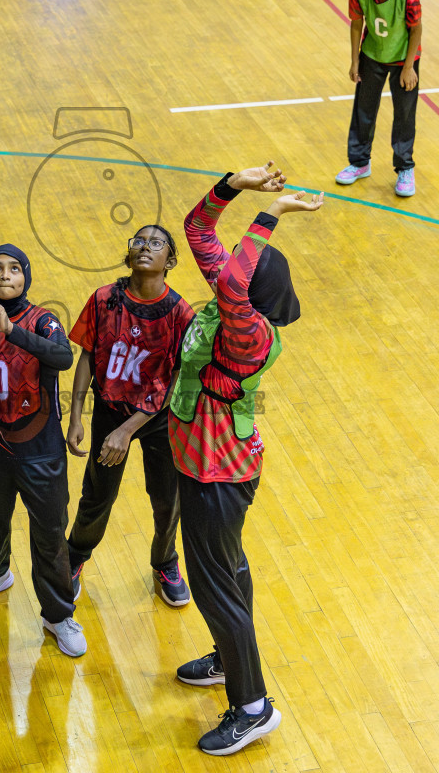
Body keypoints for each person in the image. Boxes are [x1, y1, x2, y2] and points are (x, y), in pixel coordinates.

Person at [170, 162, 323, 756]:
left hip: (218, 472)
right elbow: (198, 229)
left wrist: (273, 213)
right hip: (209, 461)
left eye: (241, 258)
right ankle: (225, 656)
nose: (226, 262)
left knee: (214, 584)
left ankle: (253, 707)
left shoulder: (248, 329)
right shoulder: (235, 298)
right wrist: (237, 182)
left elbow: (232, 279)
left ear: (253, 283)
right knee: (227, 569)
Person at [0, 245, 87, 656]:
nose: (5, 275)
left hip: (41, 452)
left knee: (49, 535)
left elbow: (64, 357)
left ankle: (58, 614)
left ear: (26, 277)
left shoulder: (43, 321)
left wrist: (11, 329)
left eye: (14, 269)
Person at [64, 225, 196, 607]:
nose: (144, 247)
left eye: (156, 244)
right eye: (138, 241)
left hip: (157, 420)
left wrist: (127, 430)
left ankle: (165, 562)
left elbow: (175, 381)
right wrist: (76, 416)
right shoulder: (105, 299)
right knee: (98, 495)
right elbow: (87, 354)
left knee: (167, 499)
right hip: (110, 409)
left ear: (170, 261)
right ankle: (75, 556)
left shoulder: (180, 314)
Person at [336, 0, 423, 197]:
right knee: (363, 110)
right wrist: (354, 61)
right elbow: (356, 24)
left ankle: (405, 167)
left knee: (404, 114)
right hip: (371, 56)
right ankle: (360, 163)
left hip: (402, 60)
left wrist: (409, 67)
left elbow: (416, 30)